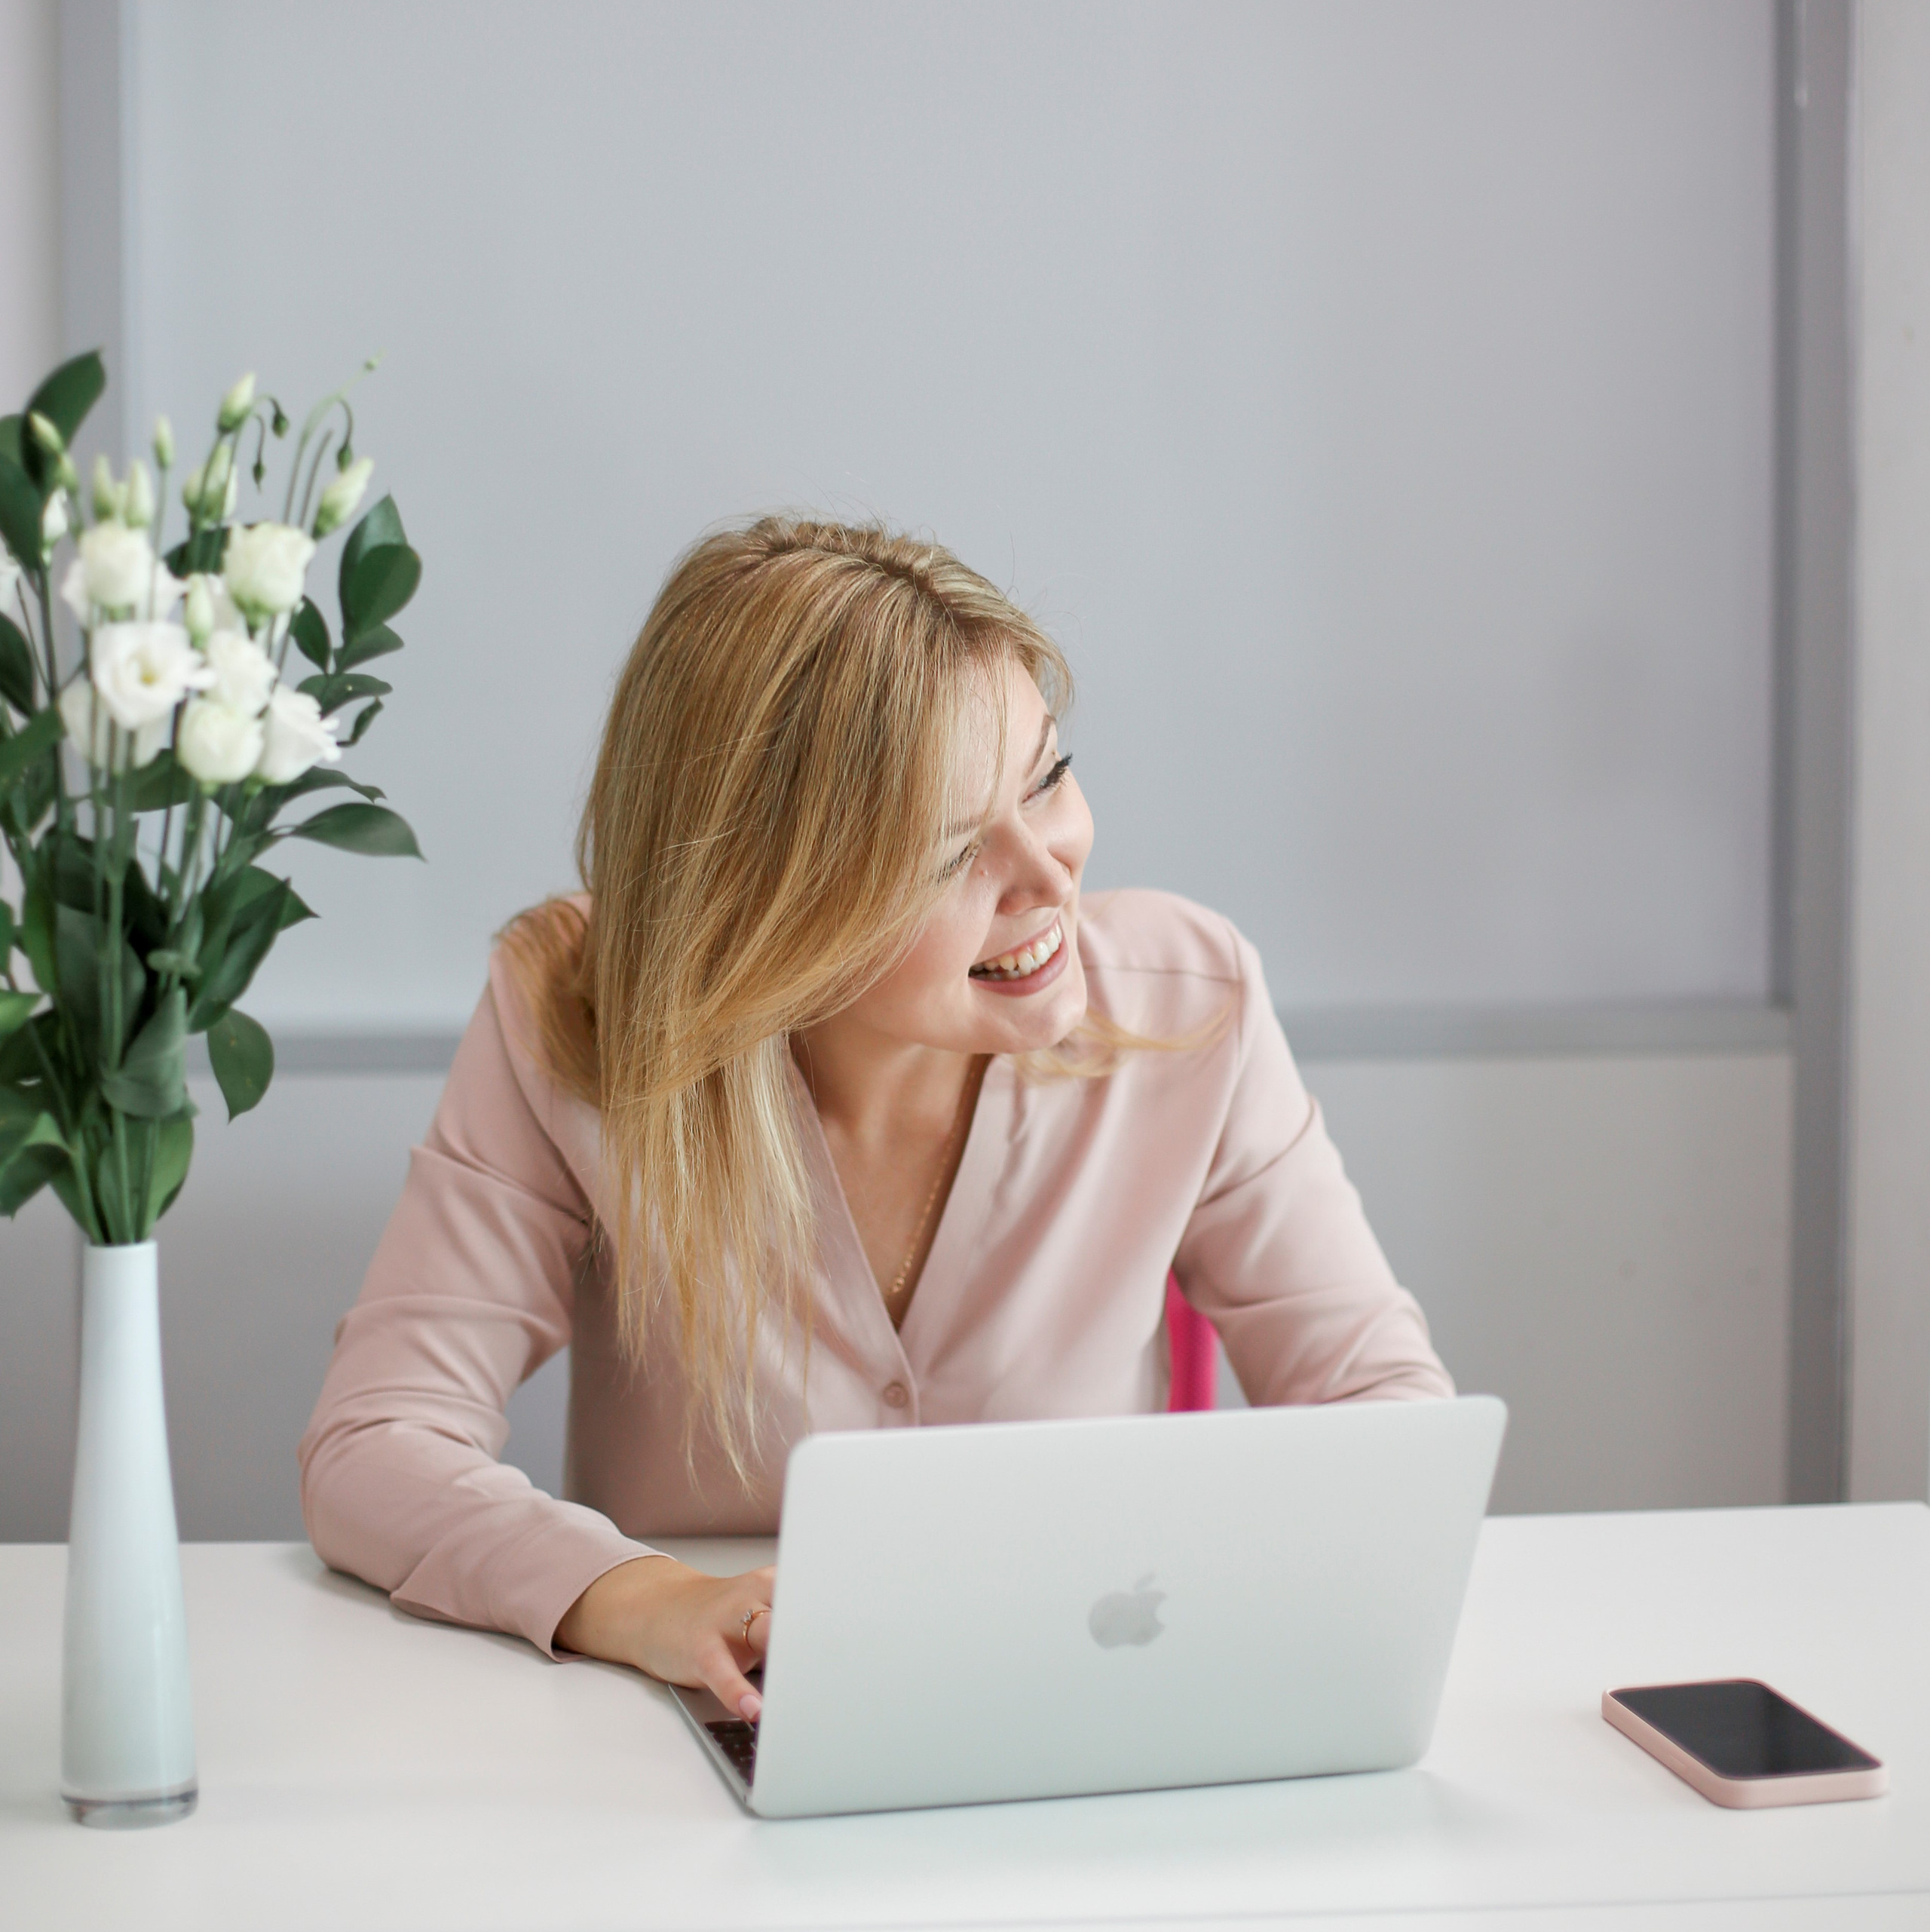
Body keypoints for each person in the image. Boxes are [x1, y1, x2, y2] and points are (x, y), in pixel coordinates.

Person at [299, 517, 1451, 1729]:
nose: (1050, 874)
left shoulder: (1192, 996)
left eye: (1047, 776)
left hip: (1095, 1720)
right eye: (949, 852)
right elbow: (377, 1442)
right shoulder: (573, 1009)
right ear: (769, 899)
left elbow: (1387, 1412)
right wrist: (642, 1597)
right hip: (701, 1744)